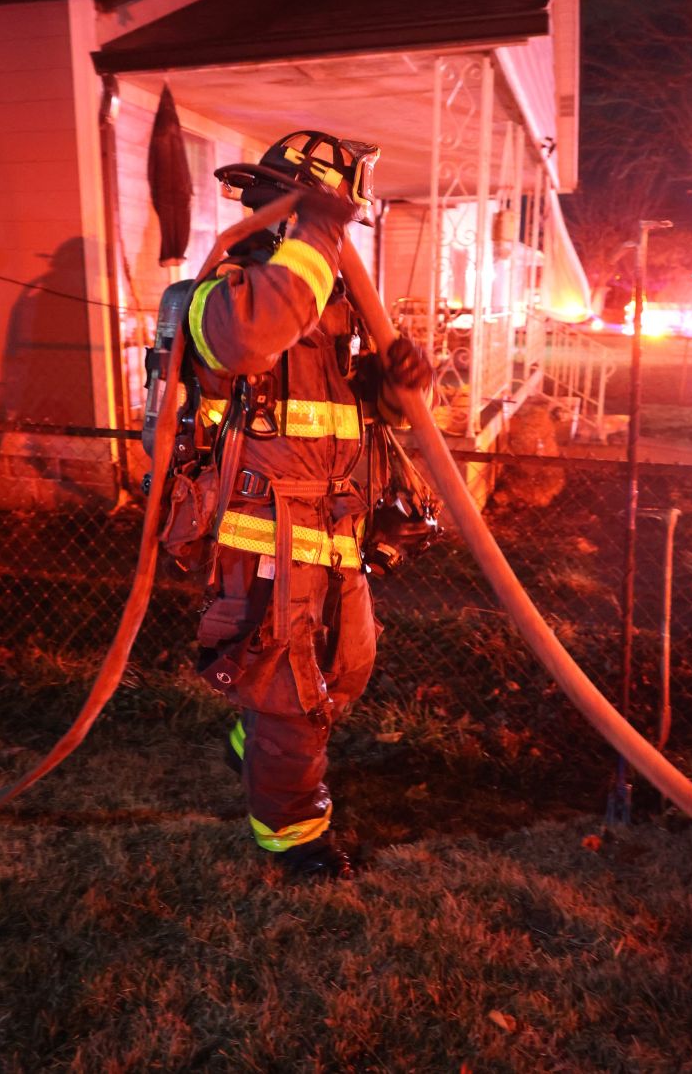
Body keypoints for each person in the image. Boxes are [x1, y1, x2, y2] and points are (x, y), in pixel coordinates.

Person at [171, 130, 433, 880]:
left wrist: (393, 382)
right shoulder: (222, 292)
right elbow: (251, 343)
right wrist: (319, 231)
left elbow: (350, 414)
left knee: (341, 673)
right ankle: (293, 838)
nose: (336, 237)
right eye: (325, 216)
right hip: (266, 542)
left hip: (333, 531)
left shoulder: (324, 310)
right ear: (286, 212)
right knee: (293, 698)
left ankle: (259, 744)